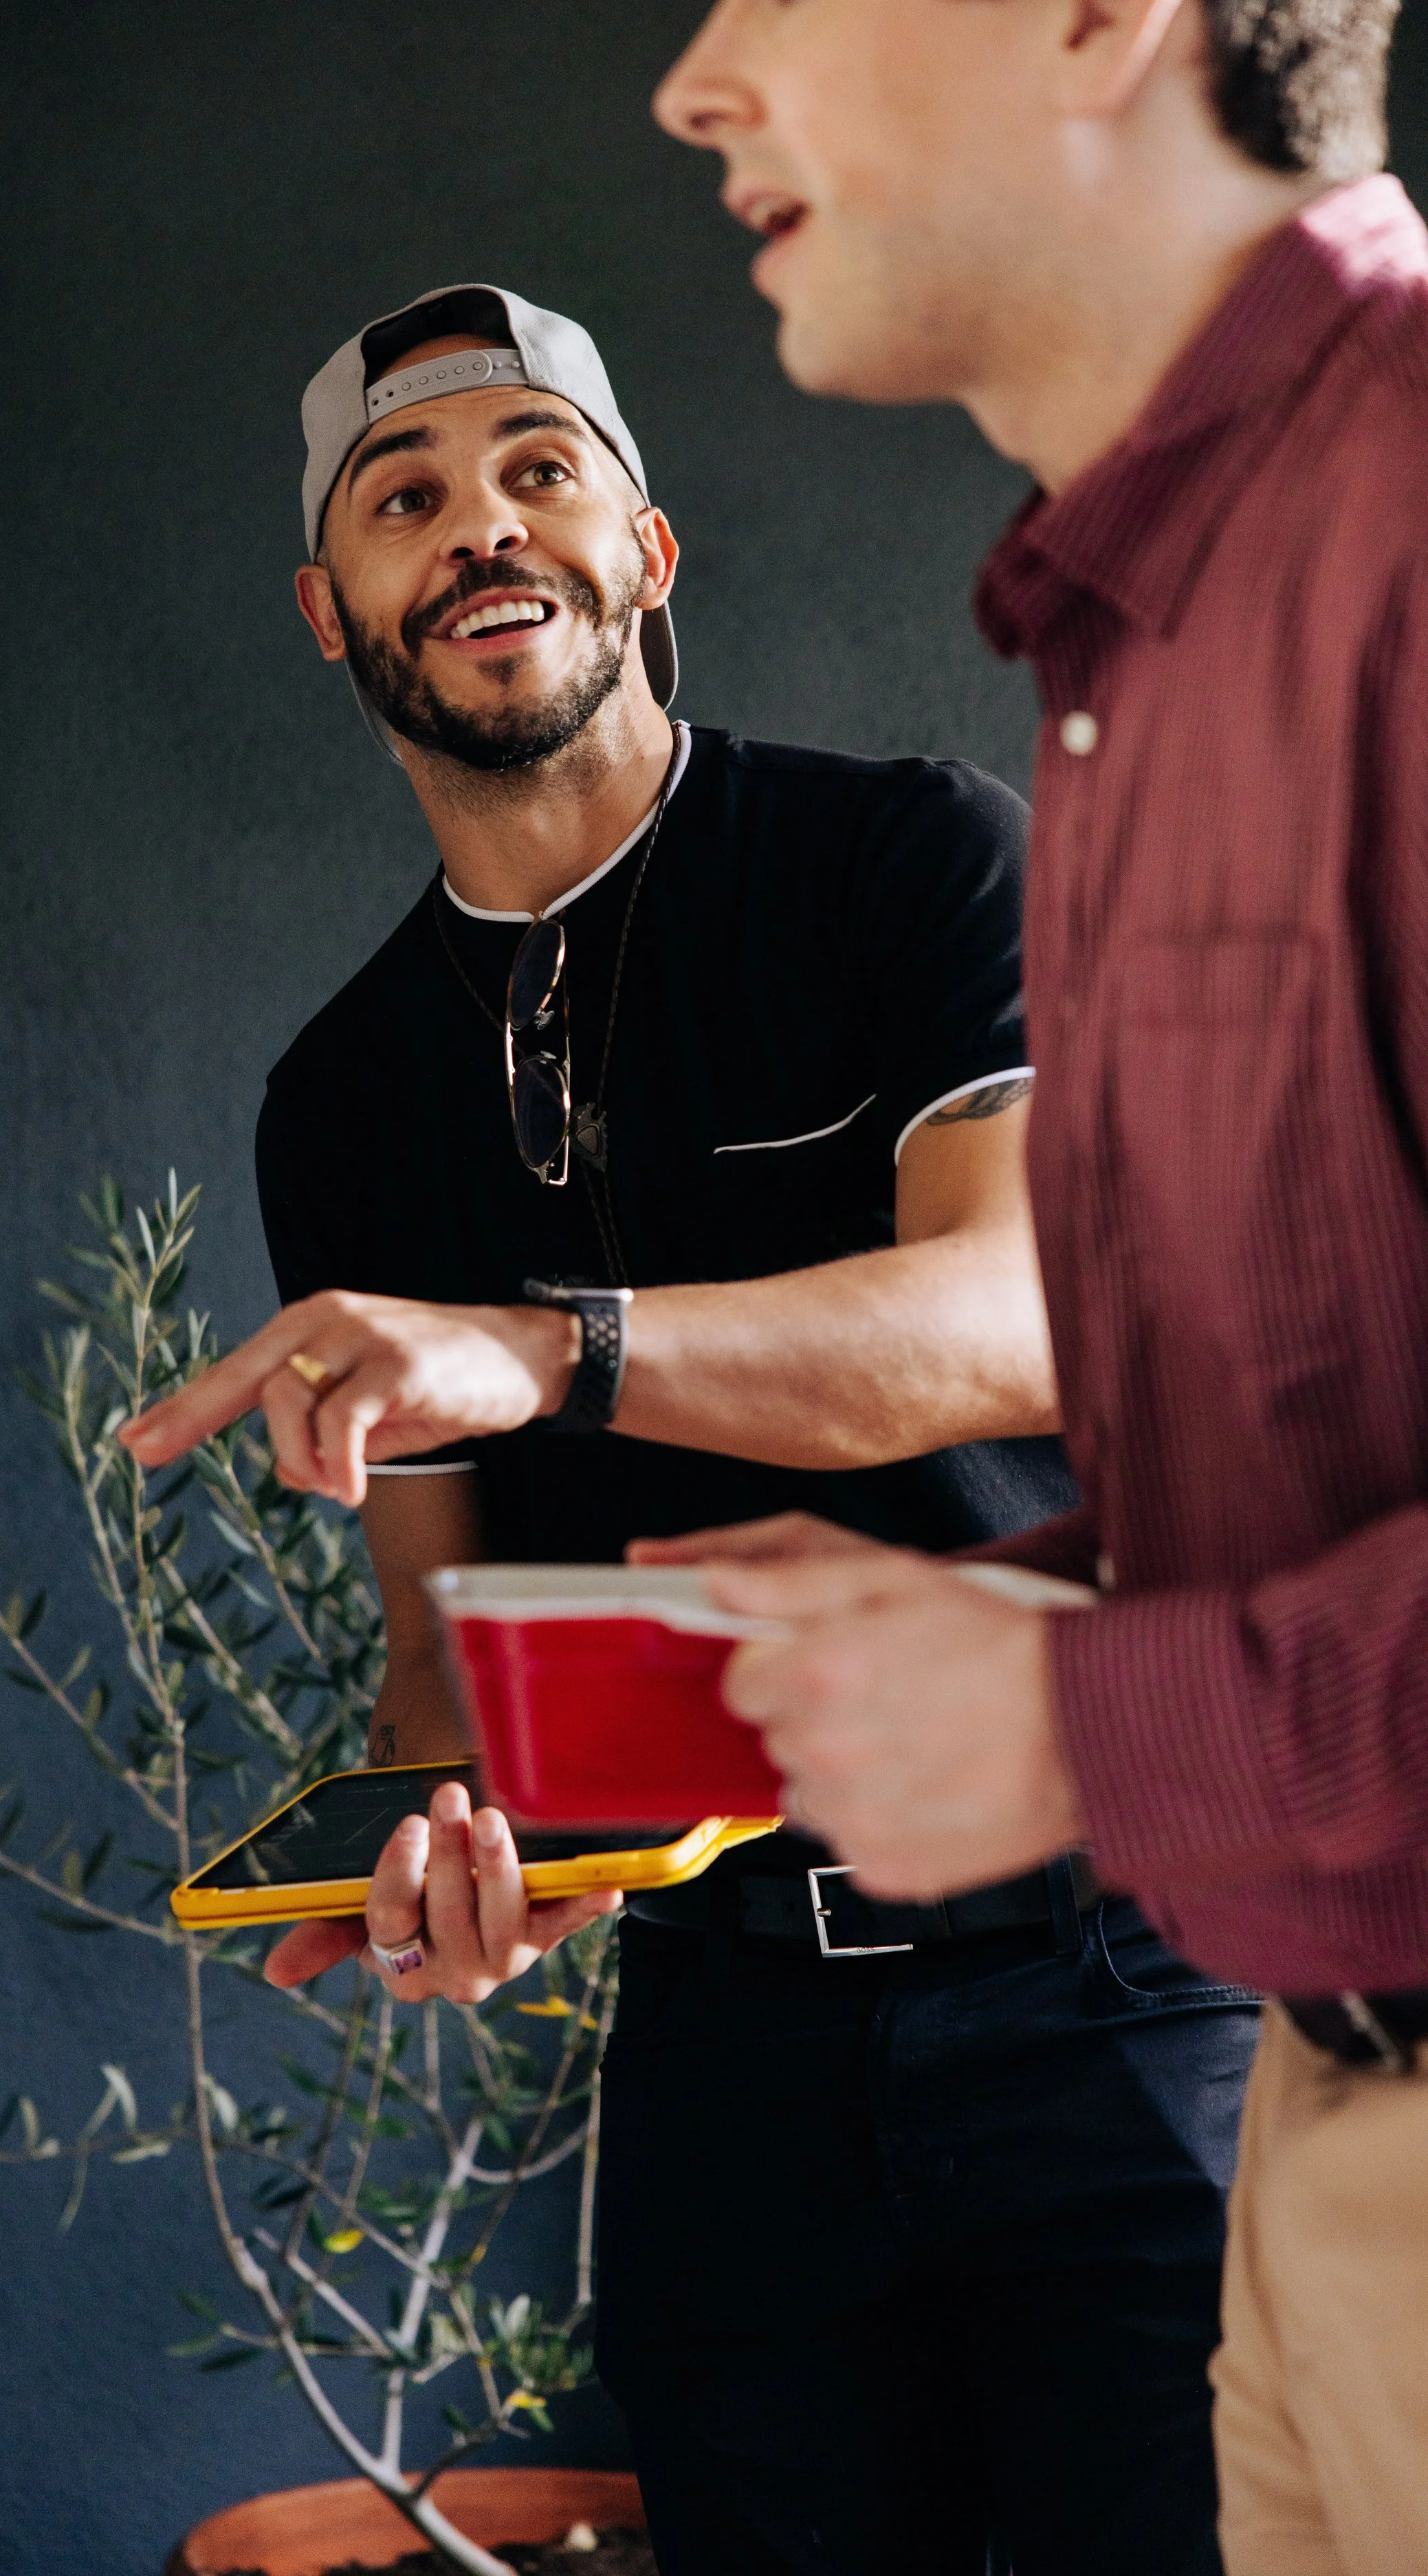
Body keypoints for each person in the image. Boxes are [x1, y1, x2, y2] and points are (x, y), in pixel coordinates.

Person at [125, 280, 1257, 2576]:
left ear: (648, 550)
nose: (479, 525)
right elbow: (445, 1669)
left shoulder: (904, 863)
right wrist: (469, 1867)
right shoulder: (338, 1104)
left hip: (1112, 1977)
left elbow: (1023, 1317)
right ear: (328, 608)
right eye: (404, 496)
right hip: (730, 2051)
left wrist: (543, 1344)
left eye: (540, 467)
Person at [650, 4, 1427, 2570]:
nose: (696, 79)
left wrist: (1086, 1721)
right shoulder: (1131, 651)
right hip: (1312, 2160)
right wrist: (935, 1646)